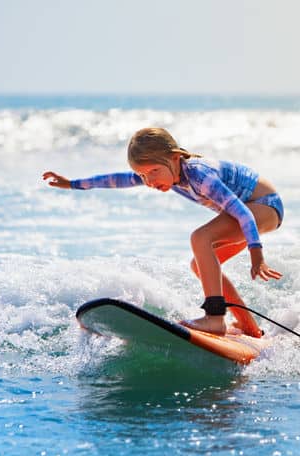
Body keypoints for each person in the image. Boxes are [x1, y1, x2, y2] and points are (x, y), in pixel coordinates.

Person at [42, 127, 283, 337]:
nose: (148, 181)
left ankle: (214, 318)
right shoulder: (170, 174)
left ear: (176, 157)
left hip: (265, 206)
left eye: (154, 171)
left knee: (201, 238)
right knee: (199, 265)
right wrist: (72, 184)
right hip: (252, 213)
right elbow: (116, 180)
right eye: (143, 175)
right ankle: (249, 327)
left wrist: (256, 252)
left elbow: (242, 213)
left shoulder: (200, 174)